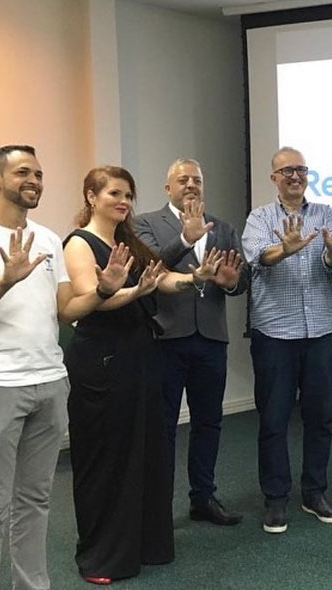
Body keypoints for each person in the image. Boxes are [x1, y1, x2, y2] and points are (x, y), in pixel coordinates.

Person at [0, 145, 130, 590]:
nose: (34, 181)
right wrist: (4, 281)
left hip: (50, 383)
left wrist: (102, 291)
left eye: (39, 174)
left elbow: (65, 310)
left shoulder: (47, 238)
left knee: (35, 501)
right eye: (23, 172)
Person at [63, 165, 226, 584]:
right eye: (114, 193)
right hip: (102, 360)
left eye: (128, 195)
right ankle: (102, 555)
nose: (123, 201)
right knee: (108, 457)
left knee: (144, 452)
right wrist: (134, 290)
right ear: (91, 197)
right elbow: (90, 300)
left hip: (141, 355)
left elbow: (162, 279)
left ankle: (146, 545)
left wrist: (194, 278)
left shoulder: (127, 241)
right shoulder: (79, 243)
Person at [242, 146, 332, 534]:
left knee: (322, 417)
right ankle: (276, 498)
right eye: (287, 171)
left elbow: (330, 261)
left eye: (301, 170)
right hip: (275, 333)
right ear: (273, 178)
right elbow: (258, 258)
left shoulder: (325, 214)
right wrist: (285, 249)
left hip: (321, 331)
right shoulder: (260, 217)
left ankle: (314, 492)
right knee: (274, 419)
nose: (295, 176)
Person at [135, 158, 249, 527]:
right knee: (164, 426)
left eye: (196, 180)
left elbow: (241, 280)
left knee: (208, 422)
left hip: (211, 338)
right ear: (167, 188)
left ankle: (203, 497)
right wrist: (186, 238)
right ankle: (159, 506)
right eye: (182, 180)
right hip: (165, 338)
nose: (190, 185)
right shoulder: (145, 223)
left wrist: (231, 282)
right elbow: (151, 266)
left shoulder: (223, 228)